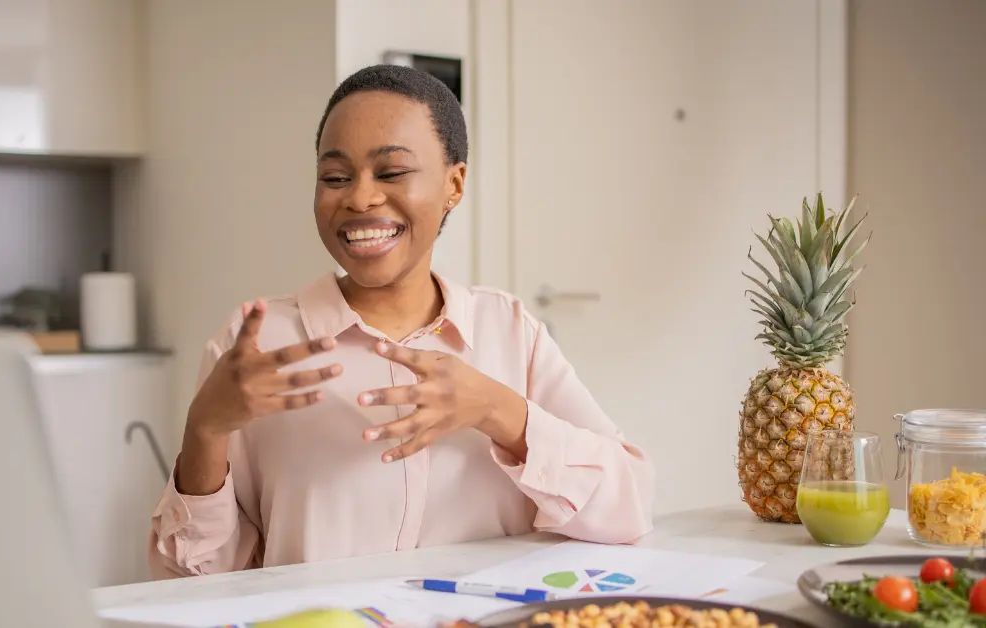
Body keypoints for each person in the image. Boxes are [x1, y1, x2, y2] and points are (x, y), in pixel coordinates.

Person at [148, 64, 654, 578]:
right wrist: (205, 430)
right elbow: (192, 580)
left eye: (391, 173)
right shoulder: (256, 345)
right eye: (335, 177)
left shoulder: (509, 330)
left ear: (454, 185)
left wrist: (498, 411)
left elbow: (627, 507)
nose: (360, 197)